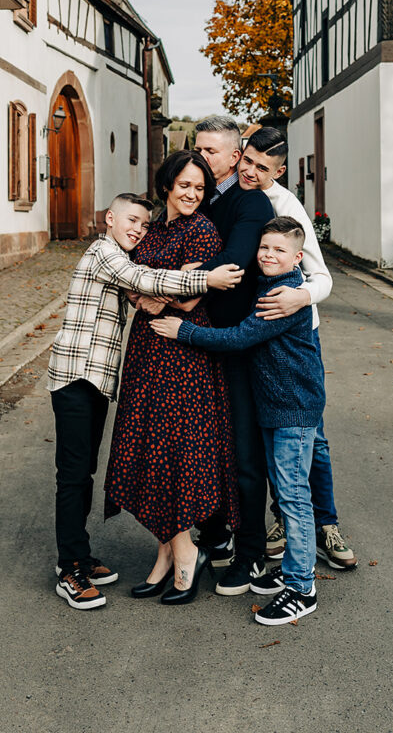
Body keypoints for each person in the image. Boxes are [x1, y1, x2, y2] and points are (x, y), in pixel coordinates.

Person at [48, 191, 243, 610]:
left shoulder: (124, 257)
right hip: (76, 375)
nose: (137, 229)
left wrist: (162, 285)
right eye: (130, 221)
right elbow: (144, 282)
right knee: (73, 474)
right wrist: (205, 277)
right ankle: (69, 570)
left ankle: (80, 555)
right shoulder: (105, 253)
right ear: (109, 219)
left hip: (96, 379)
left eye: (143, 223)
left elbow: (145, 286)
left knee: (83, 473)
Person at [151, 217, 324, 626]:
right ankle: (294, 570)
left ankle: (302, 587)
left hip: (293, 410)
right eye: (264, 247)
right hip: (275, 407)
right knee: (285, 492)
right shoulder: (266, 283)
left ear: (297, 257)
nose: (268, 254)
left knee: (294, 496)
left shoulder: (285, 294)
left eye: (279, 250)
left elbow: (238, 339)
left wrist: (183, 331)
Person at [103, 152, 241, 606]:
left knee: (175, 451)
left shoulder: (202, 230)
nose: (191, 194)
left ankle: (186, 555)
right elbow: (130, 282)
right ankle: (166, 555)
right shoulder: (154, 229)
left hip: (182, 357)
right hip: (147, 350)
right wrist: (161, 289)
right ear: (167, 185)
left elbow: (184, 301)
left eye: (199, 188)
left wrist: (162, 292)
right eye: (184, 185)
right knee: (151, 447)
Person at [238, 127, 356, 572]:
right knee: (268, 429)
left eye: (262, 168)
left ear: (279, 171)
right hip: (254, 329)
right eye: (247, 160)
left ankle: (325, 525)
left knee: (312, 437)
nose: (250, 171)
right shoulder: (231, 190)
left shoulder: (288, 209)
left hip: (294, 333)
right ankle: (282, 520)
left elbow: (322, 278)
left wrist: (300, 297)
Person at [191, 115, 274, 594]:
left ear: (234, 156)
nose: (201, 158)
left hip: (239, 342)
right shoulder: (196, 197)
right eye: (196, 149)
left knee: (243, 452)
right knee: (205, 444)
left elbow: (234, 262)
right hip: (198, 339)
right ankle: (215, 533)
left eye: (210, 152)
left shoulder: (250, 201)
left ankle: (252, 554)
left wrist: (170, 285)